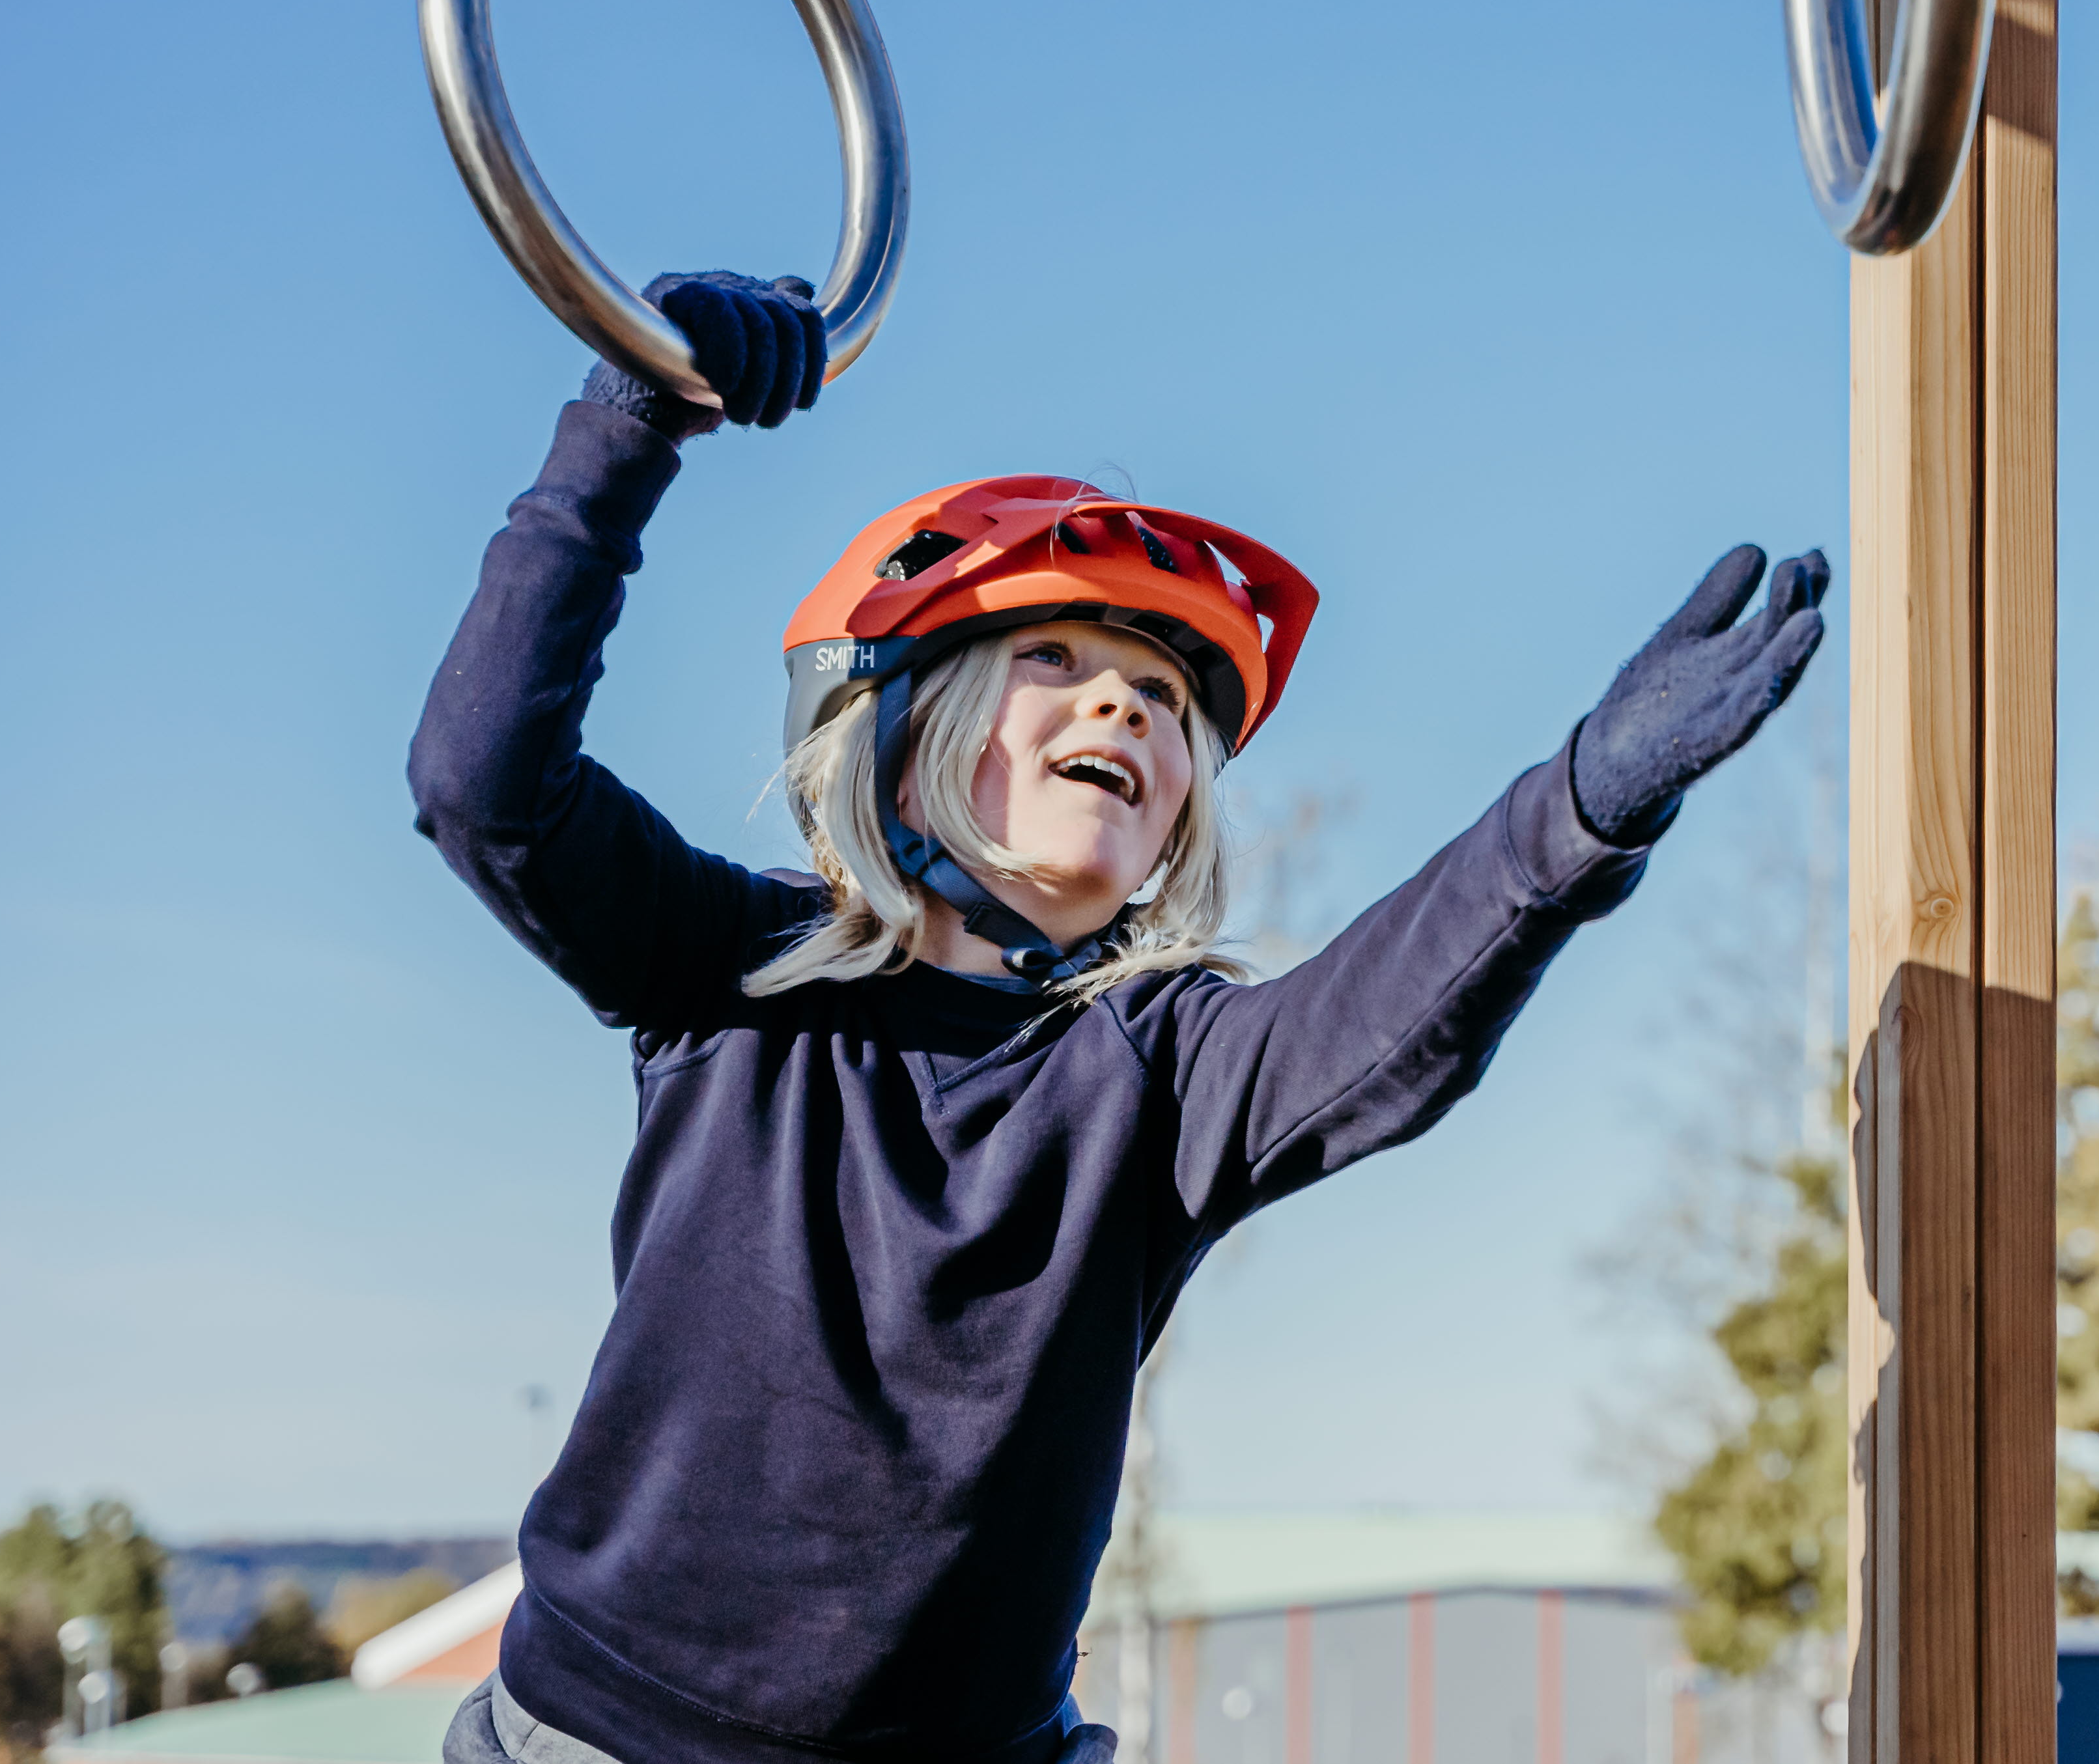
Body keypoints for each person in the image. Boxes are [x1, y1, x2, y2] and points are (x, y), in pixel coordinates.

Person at [410, 272, 1831, 1764]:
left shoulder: (1161, 1068)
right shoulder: (740, 970)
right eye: (1057, 661)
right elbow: (482, 779)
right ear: (900, 733)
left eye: (1164, 696)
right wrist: (631, 419)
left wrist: (1580, 808)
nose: (1128, 711)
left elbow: (1380, 1026)